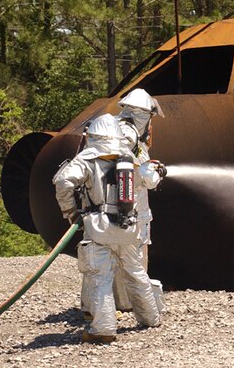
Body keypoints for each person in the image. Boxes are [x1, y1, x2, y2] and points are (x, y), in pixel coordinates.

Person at [53, 113, 162, 343]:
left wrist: (71, 213)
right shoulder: (129, 158)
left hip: (99, 228)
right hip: (128, 226)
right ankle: (150, 318)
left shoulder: (87, 159)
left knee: (100, 276)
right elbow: (148, 180)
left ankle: (103, 329)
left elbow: (63, 182)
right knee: (135, 272)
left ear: (93, 136)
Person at [79, 89, 166, 317]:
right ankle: (135, 309)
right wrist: (158, 172)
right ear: (145, 115)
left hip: (97, 213)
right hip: (132, 216)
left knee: (96, 264)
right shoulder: (131, 142)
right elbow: (145, 179)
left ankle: (94, 310)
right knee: (134, 265)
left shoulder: (105, 136)